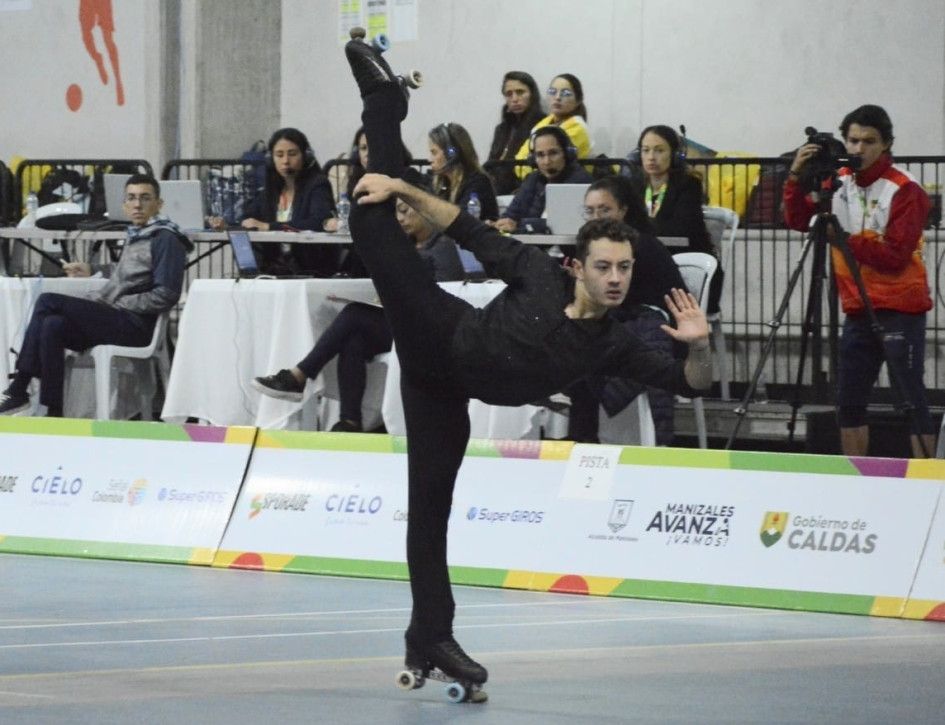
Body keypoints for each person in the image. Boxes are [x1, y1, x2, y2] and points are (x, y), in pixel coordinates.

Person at [343, 35, 712, 690]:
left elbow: (693, 384)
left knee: (431, 509)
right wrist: (402, 183)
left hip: (444, 391)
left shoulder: (616, 342)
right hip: (437, 329)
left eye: (624, 268)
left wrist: (698, 342)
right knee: (370, 212)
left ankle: (429, 633)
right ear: (580, 265)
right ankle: (383, 100)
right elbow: (464, 226)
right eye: (604, 265)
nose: (616, 277)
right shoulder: (539, 273)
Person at [782, 104, 934, 458]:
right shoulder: (838, 183)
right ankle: (856, 479)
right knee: (848, 401)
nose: (858, 149)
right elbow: (799, 220)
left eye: (868, 141)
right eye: (852, 140)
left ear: (886, 144)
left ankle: (930, 482)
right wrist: (794, 177)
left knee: (910, 401)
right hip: (857, 307)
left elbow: (896, 254)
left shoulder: (905, 188)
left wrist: (844, 240)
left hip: (901, 307)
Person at [251, 197, 465, 431]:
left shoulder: (442, 247)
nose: (401, 219)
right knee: (354, 341)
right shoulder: (404, 244)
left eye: (405, 212)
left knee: (354, 315)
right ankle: (350, 421)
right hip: (403, 320)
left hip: (428, 326)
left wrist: (403, 294)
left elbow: (447, 292)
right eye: (397, 213)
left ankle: (300, 375)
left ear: (425, 212)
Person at [0, 174, 192, 417]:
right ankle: (54, 411)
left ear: (159, 204)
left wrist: (121, 302)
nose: (137, 204)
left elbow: (166, 294)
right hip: (117, 318)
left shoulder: (166, 238)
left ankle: (19, 387)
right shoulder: (138, 234)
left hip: (135, 325)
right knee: (52, 325)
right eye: (131, 198)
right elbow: (127, 275)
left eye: (145, 198)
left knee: (48, 301)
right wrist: (93, 270)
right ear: (123, 205)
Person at [567, 176, 689, 446]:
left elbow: (617, 306)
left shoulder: (638, 248)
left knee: (581, 349)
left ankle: (582, 436)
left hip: (663, 338)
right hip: (630, 327)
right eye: (590, 211)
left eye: (604, 209)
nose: (595, 217)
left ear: (623, 211)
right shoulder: (600, 246)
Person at [209, 127, 338, 276]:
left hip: (309, 265)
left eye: (292, 154)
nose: (285, 161)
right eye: (279, 155)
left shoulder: (317, 185)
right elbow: (249, 219)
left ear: (306, 156)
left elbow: (318, 222)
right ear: (271, 159)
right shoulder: (271, 190)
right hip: (274, 265)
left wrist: (268, 226)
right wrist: (228, 226)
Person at [628, 125, 722, 313]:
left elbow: (680, 229)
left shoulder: (688, 185)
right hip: (648, 263)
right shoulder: (634, 186)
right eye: (645, 151)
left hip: (684, 267)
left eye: (659, 150)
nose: (651, 157)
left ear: (675, 155)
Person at [489, 125, 592, 234]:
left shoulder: (580, 181)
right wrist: (499, 224)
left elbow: (566, 225)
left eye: (553, 153)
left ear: (567, 154)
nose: (546, 162)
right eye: (540, 155)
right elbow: (512, 214)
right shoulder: (533, 179)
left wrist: (520, 225)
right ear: (533, 159)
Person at [512, 73, 592, 179]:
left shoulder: (578, 128)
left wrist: (529, 171)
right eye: (552, 92)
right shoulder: (545, 123)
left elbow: (548, 167)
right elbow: (519, 162)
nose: (557, 97)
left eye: (566, 93)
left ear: (578, 101)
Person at [485, 71, 544, 196]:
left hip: (524, 192)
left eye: (520, 92)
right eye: (509, 94)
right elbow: (491, 163)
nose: (515, 99)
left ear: (532, 94)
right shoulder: (502, 129)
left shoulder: (543, 125)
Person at [427, 121, 499, 220]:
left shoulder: (478, 182)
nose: (430, 159)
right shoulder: (441, 182)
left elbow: (461, 221)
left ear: (451, 154)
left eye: (434, 153)